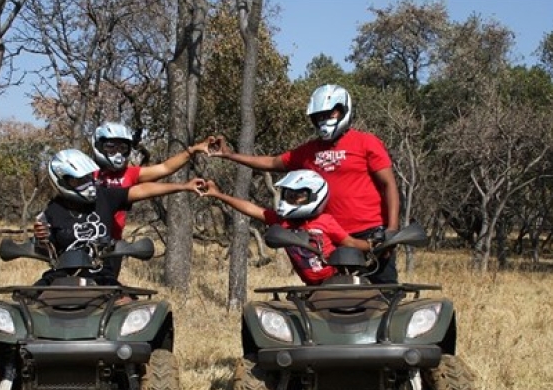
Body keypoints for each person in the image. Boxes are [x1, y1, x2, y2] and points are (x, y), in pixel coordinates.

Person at [208, 84, 401, 283]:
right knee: (333, 298)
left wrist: (391, 232)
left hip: (370, 232)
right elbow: (272, 162)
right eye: (319, 116)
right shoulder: (308, 151)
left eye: (330, 113)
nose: (324, 120)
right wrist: (229, 155)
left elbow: (389, 186)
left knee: (383, 294)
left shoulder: (366, 142)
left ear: (343, 110)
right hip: (328, 235)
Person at [32, 148, 204, 286]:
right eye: (79, 180)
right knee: (28, 303)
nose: (88, 183)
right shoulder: (51, 211)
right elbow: (49, 252)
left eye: (88, 177)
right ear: (62, 182)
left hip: (102, 277)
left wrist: (183, 186)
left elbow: (142, 190)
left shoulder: (104, 197)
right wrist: (41, 239)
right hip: (61, 277)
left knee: (130, 311)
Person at [198, 170, 371, 285]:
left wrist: (372, 245)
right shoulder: (283, 222)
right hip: (310, 287)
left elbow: (351, 243)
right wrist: (218, 194)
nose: (292, 199)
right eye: (289, 195)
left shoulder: (325, 220)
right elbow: (252, 209)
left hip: (337, 282)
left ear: (314, 196)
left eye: (298, 196)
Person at [91, 121, 213, 278]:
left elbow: (165, 168)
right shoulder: (86, 173)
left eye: (122, 148)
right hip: (84, 240)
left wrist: (192, 151)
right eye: (111, 147)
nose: (117, 154)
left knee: (108, 289)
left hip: (113, 244)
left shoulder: (130, 173)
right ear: (99, 146)